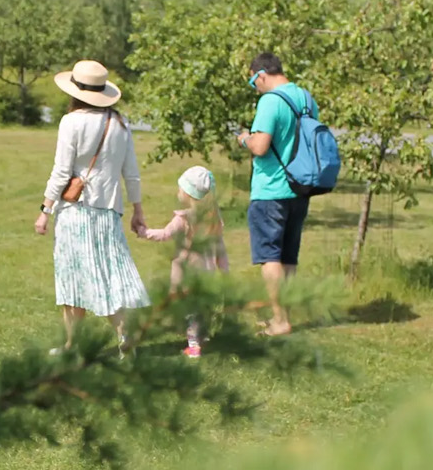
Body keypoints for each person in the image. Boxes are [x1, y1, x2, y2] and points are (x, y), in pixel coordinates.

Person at [35, 60, 150, 354]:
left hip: (76, 211)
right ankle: (124, 334)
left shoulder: (71, 122)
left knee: (73, 277)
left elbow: (62, 171)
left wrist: (46, 209)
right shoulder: (120, 125)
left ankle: (73, 345)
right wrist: (138, 210)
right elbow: (131, 172)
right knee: (108, 274)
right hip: (109, 211)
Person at [235, 52, 320, 336]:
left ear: (261, 75)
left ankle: (280, 320)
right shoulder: (307, 99)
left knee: (269, 255)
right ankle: (284, 315)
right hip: (300, 187)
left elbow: (260, 146)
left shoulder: (270, 101)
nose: (254, 87)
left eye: (252, 82)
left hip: (271, 188)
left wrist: (244, 138)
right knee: (289, 256)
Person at [137, 166, 228, 359]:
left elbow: (165, 235)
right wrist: (224, 269)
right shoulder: (213, 217)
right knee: (201, 308)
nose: (178, 192)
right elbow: (220, 246)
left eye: (180, 189)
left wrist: (144, 232)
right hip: (207, 273)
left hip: (186, 274)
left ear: (188, 194)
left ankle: (193, 346)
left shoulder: (183, 219)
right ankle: (201, 337)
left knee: (188, 310)